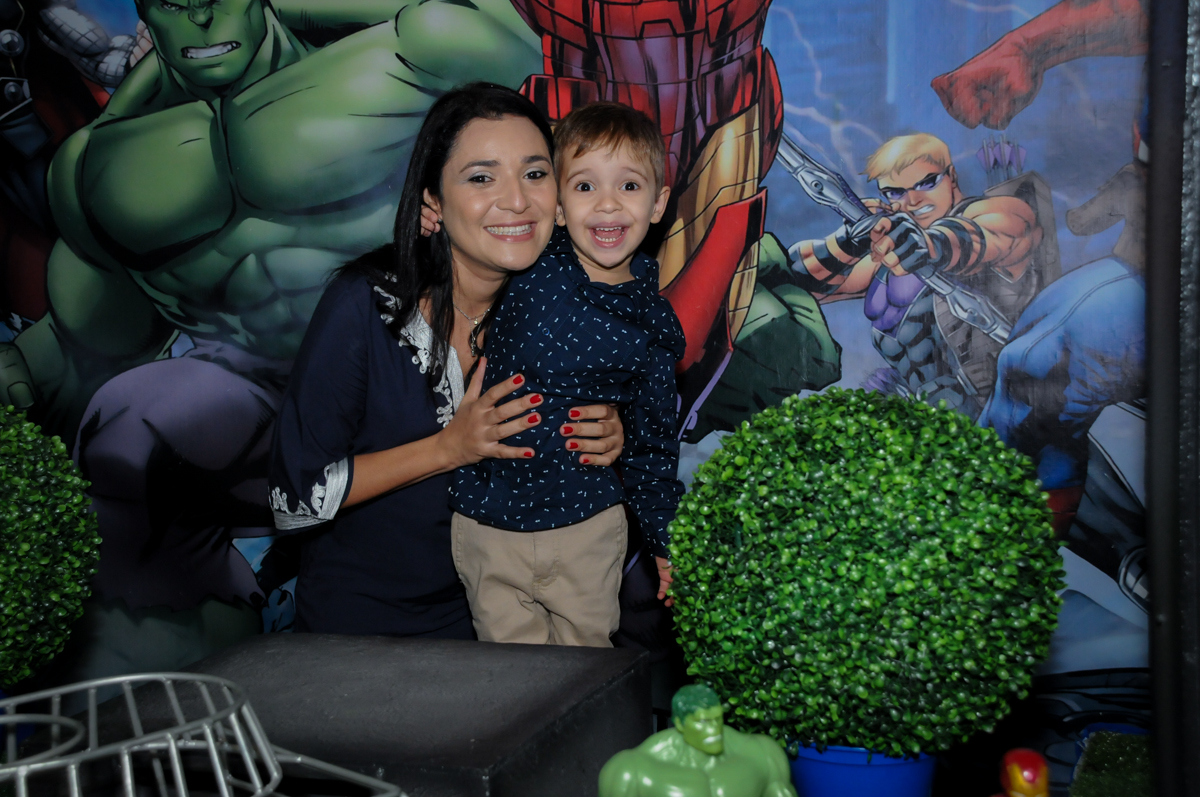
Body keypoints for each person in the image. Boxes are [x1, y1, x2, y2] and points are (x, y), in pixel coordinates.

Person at [267, 84, 625, 638]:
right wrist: (447, 448)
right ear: (432, 201)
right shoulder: (363, 306)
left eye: (534, 173)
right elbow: (295, 500)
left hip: (505, 630)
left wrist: (609, 433)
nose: (517, 200)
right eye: (482, 178)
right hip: (361, 637)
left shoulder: (569, 310)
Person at [446, 102, 685, 647]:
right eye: (584, 186)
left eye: (629, 185)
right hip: (489, 522)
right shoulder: (531, 261)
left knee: (583, 682)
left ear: (658, 204)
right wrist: (429, 221)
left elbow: (652, 449)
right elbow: (468, 235)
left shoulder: (653, 326)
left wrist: (666, 545)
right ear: (556, 206)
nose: (607, 204)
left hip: (587, 529)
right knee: (511, 687)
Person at [789, 133, 1042, 419]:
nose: (912, 200)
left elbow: (998, 231)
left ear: (951, 176)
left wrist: (930, 245)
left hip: (1005, 409)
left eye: (926, 183)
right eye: (895, 192)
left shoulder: (986, 214)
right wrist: (847, 242)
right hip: (927, 415)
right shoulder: (889, 257)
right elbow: (801, 286)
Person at [598, 685, 797, 797]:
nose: (714, 729)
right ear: (680, 723)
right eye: (703, 722)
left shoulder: (761, 754)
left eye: (718, 719)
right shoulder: (632, 771)